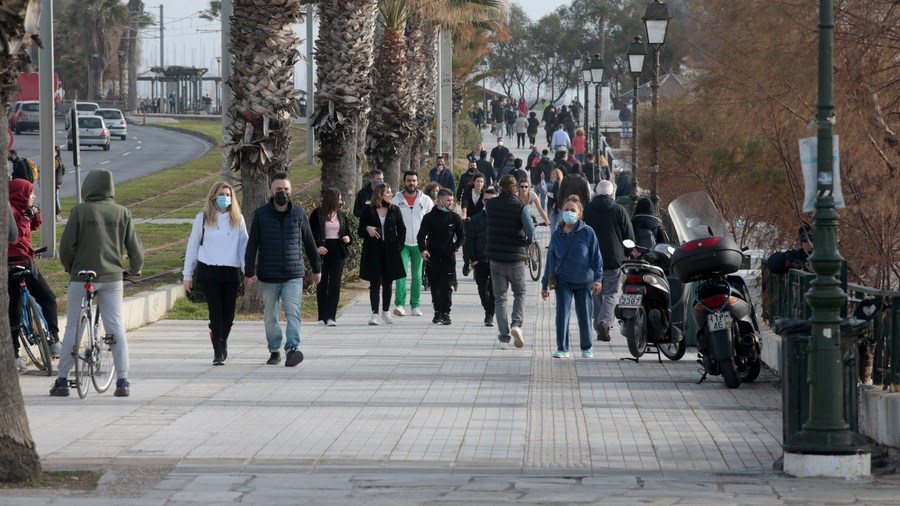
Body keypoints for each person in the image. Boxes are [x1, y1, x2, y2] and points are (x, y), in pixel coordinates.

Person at [51, 169, 144, 398]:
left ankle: (62, 380)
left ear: (88, 186)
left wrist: (69, 267)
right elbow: (135, 249)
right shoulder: (122, 213)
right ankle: (122, 381)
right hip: (112, 278)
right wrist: (134, 268)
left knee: (73, 326)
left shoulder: (80, 211)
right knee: (116, 327)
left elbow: (66, 248)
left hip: (81, 276)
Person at [244, 173, 322, 367]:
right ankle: (274, 349)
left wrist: (317, 268)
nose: (282, 193)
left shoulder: (298, 213)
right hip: (268, 275)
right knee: (270, 316)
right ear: (271, 191)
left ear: (291, 191)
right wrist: (248, 271)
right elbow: (252, 244)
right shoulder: (261, 214)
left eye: (286, 189)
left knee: (293, 312)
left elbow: (309, 242)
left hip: (293, 274)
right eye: (279, 189)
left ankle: (292, 349)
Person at [183, 181, 248, 365]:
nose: (224, 198)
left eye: (228, 194)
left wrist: (248, 271)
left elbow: (244, 247)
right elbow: (192, 247)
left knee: (229, 313)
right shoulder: (202, 219)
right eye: (221, 194)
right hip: (208, 270)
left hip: (230, 271)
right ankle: (217, 351)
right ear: (213, 197)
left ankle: (223, 339)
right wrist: (187, 276)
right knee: (215, 310)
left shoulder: (238, 219)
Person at [541, 196, 603, 358]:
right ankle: (562, 348)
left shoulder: (588, 232)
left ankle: (586, 347)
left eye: (573, 210)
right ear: (561, 212)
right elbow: (550, 261)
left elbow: (597, 258)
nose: (569, 213)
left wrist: (598, 278)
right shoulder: (557, 234)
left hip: (584, 281)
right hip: (563, 281)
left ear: (579, 213)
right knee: (562, 315)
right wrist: (544, 285)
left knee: (584, 315)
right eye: (566, 210)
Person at [8, 179, 60, 367]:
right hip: (18, 262)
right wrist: (26, 218)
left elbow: (34, 227)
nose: (33, 196)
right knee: (47, 297)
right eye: (30, 193)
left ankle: (18, 351)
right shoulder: (10, 213)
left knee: (15, 303)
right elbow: (15, 238)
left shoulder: (19, 209)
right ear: (21, 194)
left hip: (20, 260)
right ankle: (53, 339)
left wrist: (35, 213)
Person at [485, 175, 535, 350]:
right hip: (516, 259)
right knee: (520, 293)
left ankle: (504, 337)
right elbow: (531, 232)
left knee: (500, 298)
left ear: (500, 187)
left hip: (496, 258)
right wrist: (528, 241)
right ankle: (516, 324)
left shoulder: (489, 205)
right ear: (515, 189)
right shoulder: (521, 207)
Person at [583, 180, 634, 342]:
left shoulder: (588, 209)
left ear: (596, 193)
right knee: (611, 293)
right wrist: (627, 252)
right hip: (613, 258)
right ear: (612, 194)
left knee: (596, 292)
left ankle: (598, 325)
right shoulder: (619, 210)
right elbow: (628, 234)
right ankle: (604, 322)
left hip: (591, 258)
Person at [359, 183, 407, 325]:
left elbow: (402, 230)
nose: (391, 194)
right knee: (375, 282)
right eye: (388, 192)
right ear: (380, 193)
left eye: (391, 192)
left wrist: (399, 246)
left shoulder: (394, 210)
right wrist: (367, 228)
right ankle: (375, 313)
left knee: (388, 282)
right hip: (373, 251)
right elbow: (360, 231)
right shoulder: (368, 210)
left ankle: (386, 311)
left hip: (391, 251)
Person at [417, 189, 464, 325]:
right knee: (435, 286)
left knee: (447, 286)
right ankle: (437, 311)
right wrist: (423, 250)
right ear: (439, 201)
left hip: (448, 258)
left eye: (452, 200)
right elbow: (421, 236)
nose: (451, 203)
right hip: (433, 257)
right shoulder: (429, 218)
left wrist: (455, 247)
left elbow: (462, 236)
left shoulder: (454, 217)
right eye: (448, 200)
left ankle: (446, 313)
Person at [392, 170, 434, 317]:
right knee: (401, 275)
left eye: (414, 181)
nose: (411, 183)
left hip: (419, 245)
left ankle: (415, 305)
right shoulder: (396, 200)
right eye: (409, 180)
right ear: (404, 181)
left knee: (417, 276)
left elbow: (432, 221)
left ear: (417, 182)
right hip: (402, 244)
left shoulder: (426, 200)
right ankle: (400, 305)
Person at [310, 189, 353, 326]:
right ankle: (322, 316)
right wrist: (317, 247)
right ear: (332, 199)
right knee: (322, 283)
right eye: (339, 198)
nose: (341, 201)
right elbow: (310, 234)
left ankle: (331, 317)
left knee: (335, 284)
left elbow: (348, 234)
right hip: (323, 251)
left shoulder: (341, 216)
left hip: (338, 251)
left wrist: (347, 239)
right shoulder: (317, 214)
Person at [464, 188, 497, 326]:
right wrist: (472, 259)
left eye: (492, 200)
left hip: (496, 260)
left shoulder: (501, 218)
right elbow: (469, 240)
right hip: (481, 260)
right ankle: (487, 308)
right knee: (482, 290)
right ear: (482, 201)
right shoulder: (476, 219)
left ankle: (489, 314)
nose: (488, 202)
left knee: (494, 289)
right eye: (486, 200)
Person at [544, 168, 564, 234]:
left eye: (553, 173)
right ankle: (554, 242)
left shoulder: (558, 182)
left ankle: (554, 242)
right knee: (554, 226)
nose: (551, 175)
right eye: (551, 174)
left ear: (558, 175)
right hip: (555, 207)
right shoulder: (554, 182)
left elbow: (556, 194)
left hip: (557, 207)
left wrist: (548, 193)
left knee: (555, 226)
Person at [54, 146, 65, 218]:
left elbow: (51, 168)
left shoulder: (56, 160)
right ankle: (57, 213)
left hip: (55, 181)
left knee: (55, 198)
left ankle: (57, 213)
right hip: (57, 181)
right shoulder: (59, 159)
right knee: (56, 197)